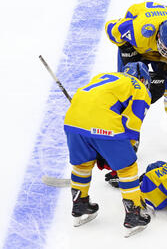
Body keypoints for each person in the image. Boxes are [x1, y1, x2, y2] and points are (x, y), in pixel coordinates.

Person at [63, 62, 152, 238]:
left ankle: (80, 205)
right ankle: (134, 213)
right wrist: (120, 154)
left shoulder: (104, 77)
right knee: (127, 167)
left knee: (82, 165)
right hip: (103, 125)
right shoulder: (139, 87)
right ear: (143, 79)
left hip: (72, 121)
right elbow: (131, 126)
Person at [105, 1, 167, 154]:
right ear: (158, 35)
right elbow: (110, 27)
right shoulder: (137, 30)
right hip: (136, 47)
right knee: (130, 91)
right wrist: (126, 48)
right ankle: (130, 134)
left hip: (150, 44)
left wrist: (164, 71)